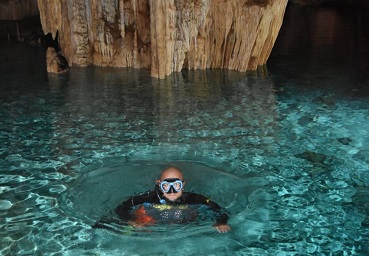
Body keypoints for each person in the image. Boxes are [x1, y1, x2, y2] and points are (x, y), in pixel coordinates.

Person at [94, 166, 231, 233]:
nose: (172, 191)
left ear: (183, 185)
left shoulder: (194, 199)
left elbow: (219, 210)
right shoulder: (148, 198)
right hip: (151, 223)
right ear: (159, 184)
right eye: (166, 186)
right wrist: (131, 220)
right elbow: (120, 208)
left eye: (176, 186)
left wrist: (220, 222)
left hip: (184, 225)